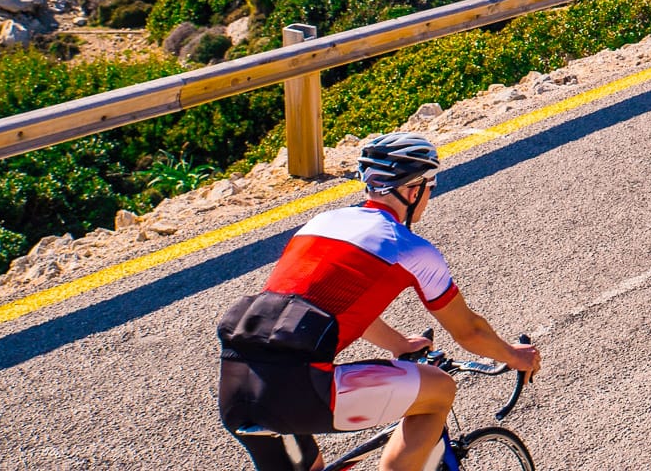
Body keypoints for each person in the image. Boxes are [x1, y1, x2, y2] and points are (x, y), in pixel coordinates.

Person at [217, 133, 541, 471]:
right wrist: (516, 356)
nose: (430, 194)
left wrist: (399, 343)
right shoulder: (408, 247)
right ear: (413, 190)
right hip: (299, 386)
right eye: (431, 186)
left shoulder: (321, 224)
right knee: (439, 390)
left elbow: (328, 303)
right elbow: (469, 331)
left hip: (236, 382)